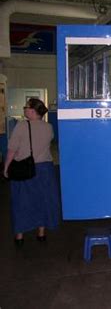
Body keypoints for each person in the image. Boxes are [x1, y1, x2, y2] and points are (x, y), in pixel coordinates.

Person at [3, 98, 60, 247]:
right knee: (42, 201)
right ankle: (41, 234)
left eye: (26, 107)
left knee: (22, 202)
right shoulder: (49, 127)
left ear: (32, 111)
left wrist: (6, 167)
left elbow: (12, 150)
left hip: (25, 170)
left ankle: (20, 236)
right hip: (45, 170)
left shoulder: (22, 126)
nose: (24, 109)